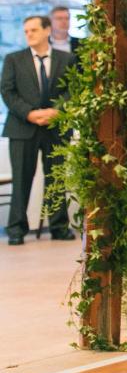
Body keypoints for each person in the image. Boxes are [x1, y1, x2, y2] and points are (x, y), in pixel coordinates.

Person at [2, 15, 76, 244]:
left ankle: (59, 227)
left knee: (56, 179)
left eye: (33, 30)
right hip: (22, 128)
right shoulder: (14, 59)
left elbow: (73, 88)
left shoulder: (67, 59)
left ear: (47, 30)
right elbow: (8, 91)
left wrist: (57, 111)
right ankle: (16, 230)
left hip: (56, 127)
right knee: (22, 180)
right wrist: (30, 113)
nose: (29, 34)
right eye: (26, 31)